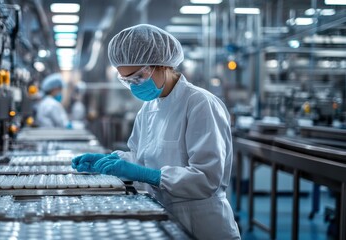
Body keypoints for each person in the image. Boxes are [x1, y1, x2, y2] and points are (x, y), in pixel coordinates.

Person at [72, 24, 240, 239]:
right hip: (162, 216)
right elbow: (141, 157)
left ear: (163, 65)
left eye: (138, 77)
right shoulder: (149, 107)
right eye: (127, 81)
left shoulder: (200, 103)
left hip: (201, 224)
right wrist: (112, 162)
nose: (135, 86)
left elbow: (207, 178)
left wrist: (147, 174)